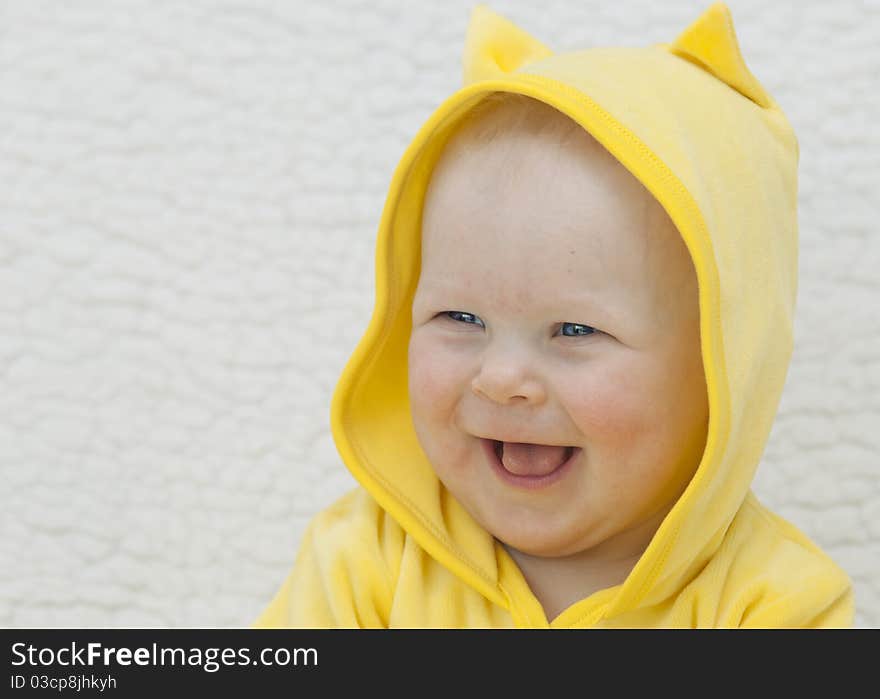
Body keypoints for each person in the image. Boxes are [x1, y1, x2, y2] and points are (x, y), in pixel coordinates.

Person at [252, 2, 854, 628]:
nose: (501, 377)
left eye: (575, 330)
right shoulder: (361, 563)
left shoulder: (778, 605)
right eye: (460, 317)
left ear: (724, 362)